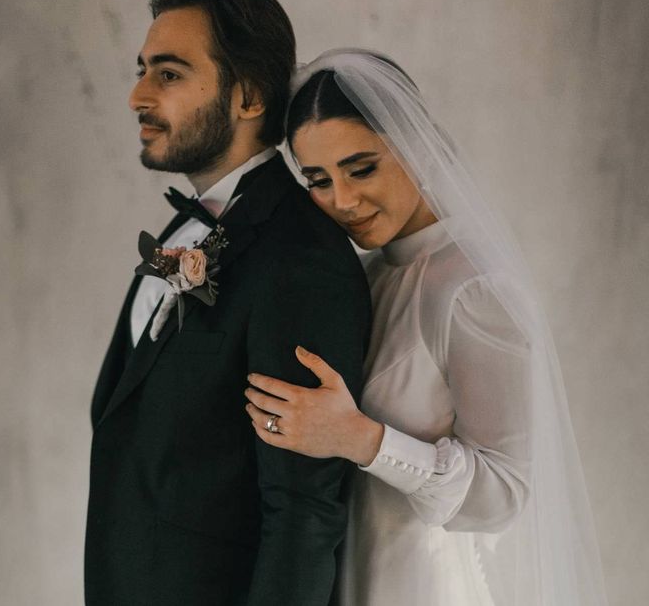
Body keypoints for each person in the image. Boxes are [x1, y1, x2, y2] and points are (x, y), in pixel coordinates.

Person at [245, 49, 608, 605]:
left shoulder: (474, 289)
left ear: (418, 145)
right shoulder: (365, 275)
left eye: (361, 168)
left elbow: (505, 494)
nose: (342, 200)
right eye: (317, 179)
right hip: (348, 577)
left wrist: (362, 439)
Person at [84, 0, 371, 605]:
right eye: (142, 70)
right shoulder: (185, 227)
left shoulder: (300, 259)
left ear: (246, 97)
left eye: (168, 74)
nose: (137, 95)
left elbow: (304, 516)